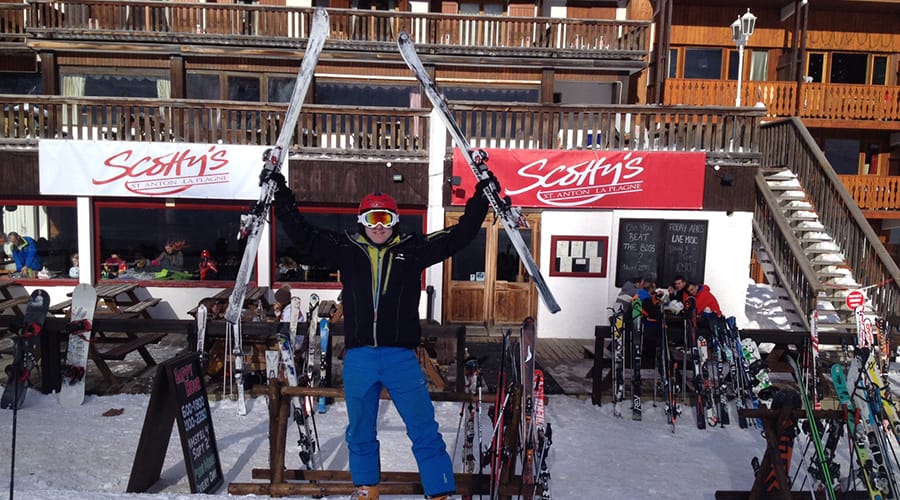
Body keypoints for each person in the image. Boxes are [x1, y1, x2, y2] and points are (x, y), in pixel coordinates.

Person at [272, 170, 495, 500]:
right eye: (372, 218)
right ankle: (366, 488)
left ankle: (439, 490)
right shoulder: (345, 248)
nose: (379, 226)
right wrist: (282, 197)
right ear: (361, 220)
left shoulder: (413, 248)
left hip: (400, 357)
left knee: (423, 428)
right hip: (360, 357)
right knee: (360, 430)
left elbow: (457, 238)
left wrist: (480, 200)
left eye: (386, 218)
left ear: (395, 221)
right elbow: (303, 235)